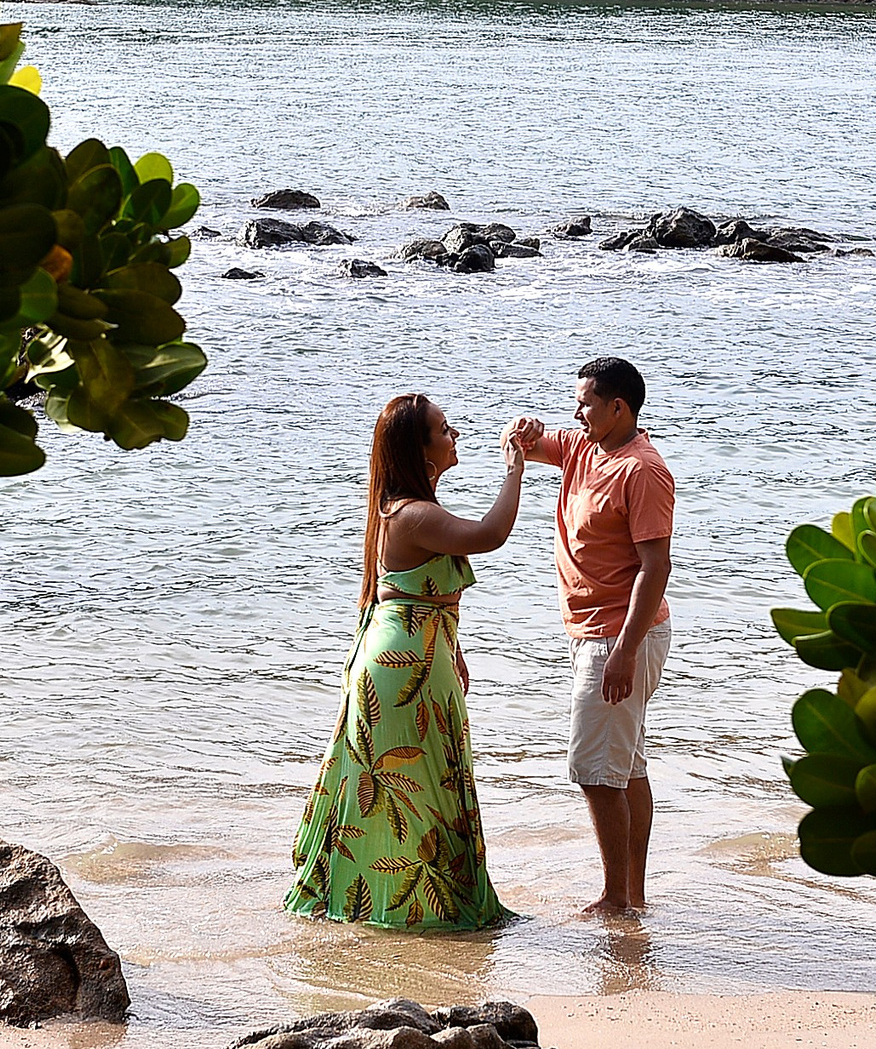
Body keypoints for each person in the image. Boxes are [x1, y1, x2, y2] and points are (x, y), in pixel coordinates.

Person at [285, 393, 523, 931]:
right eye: (444, 430)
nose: (454, 434)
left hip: (412, 652)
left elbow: (416, 593)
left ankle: (399, 903)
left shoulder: (402, 509)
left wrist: (452, 648)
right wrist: (515, 468)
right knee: (412, 785)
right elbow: (491, 535)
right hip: (402, 665)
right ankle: (412, 910)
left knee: (412, 781)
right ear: (419, 450)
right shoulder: (413, 514)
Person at [510, 357, 673, 916]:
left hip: (621, 634)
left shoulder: (643, 470)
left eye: (584, 403)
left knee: (595, 773)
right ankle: (632, 896)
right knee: (626, 765)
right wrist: (523, 432)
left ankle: (616, 898)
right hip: (593, 633)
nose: (576, 412)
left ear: (618, 408)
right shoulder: (585, 447)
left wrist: (624, 650)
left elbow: (656, 568)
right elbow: (530, 445)